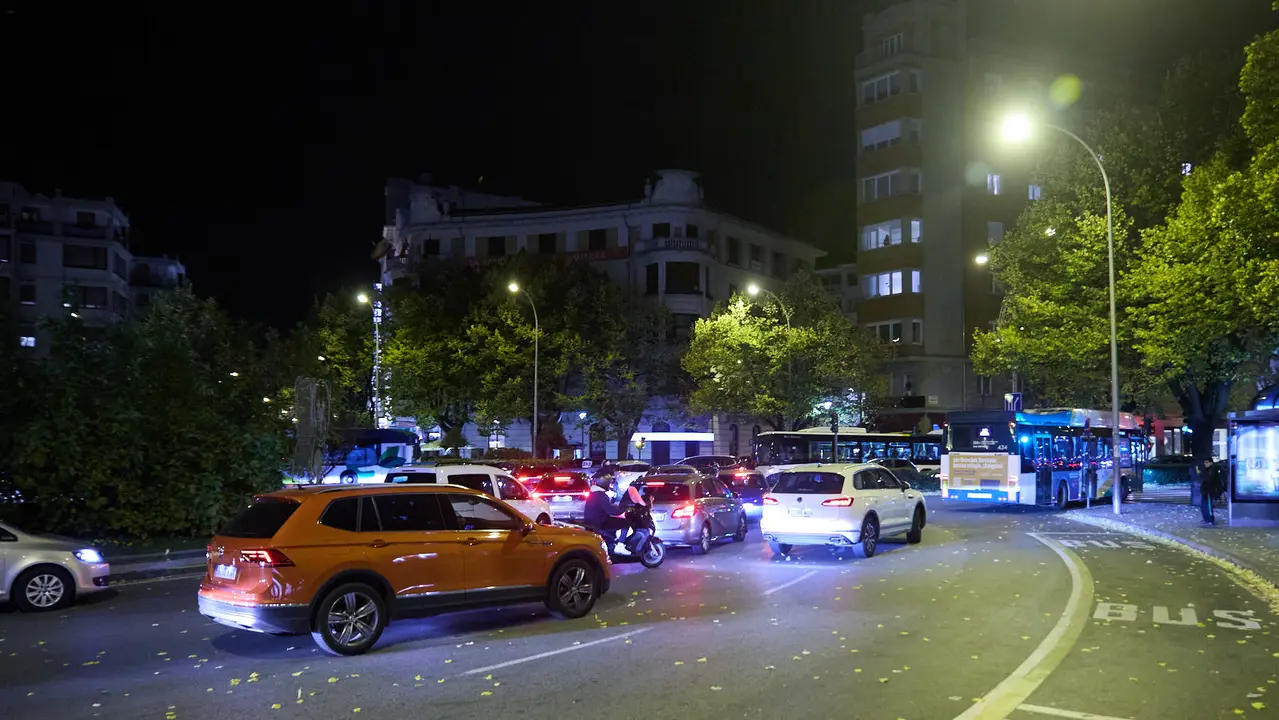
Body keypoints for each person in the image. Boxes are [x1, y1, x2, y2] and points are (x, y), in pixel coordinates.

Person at [583, 474, 630, 549]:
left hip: (593, 520)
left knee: (614, 522)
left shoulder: (595, 493)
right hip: (599, 522)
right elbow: (611, 511)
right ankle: (620, 546)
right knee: (626, 523)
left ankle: (612, 542)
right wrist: (624, 508)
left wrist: (617, 507)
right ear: (605, 484)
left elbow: (607, 506)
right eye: (609, 483)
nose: (610, 486)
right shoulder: (600, 495)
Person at [1193, 458, 1217, 525]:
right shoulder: (1207, 470)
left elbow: (1209, 480)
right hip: (1205, 490)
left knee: (1208, 505)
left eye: (1207, 462)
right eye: (1205, 462)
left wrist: (1201, 475)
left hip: (1209, 490)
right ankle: (1206, 519)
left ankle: (1210, 520)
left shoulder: (1212, 470)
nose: (1205, 464)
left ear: (1211, 463)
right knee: (1204, 505)